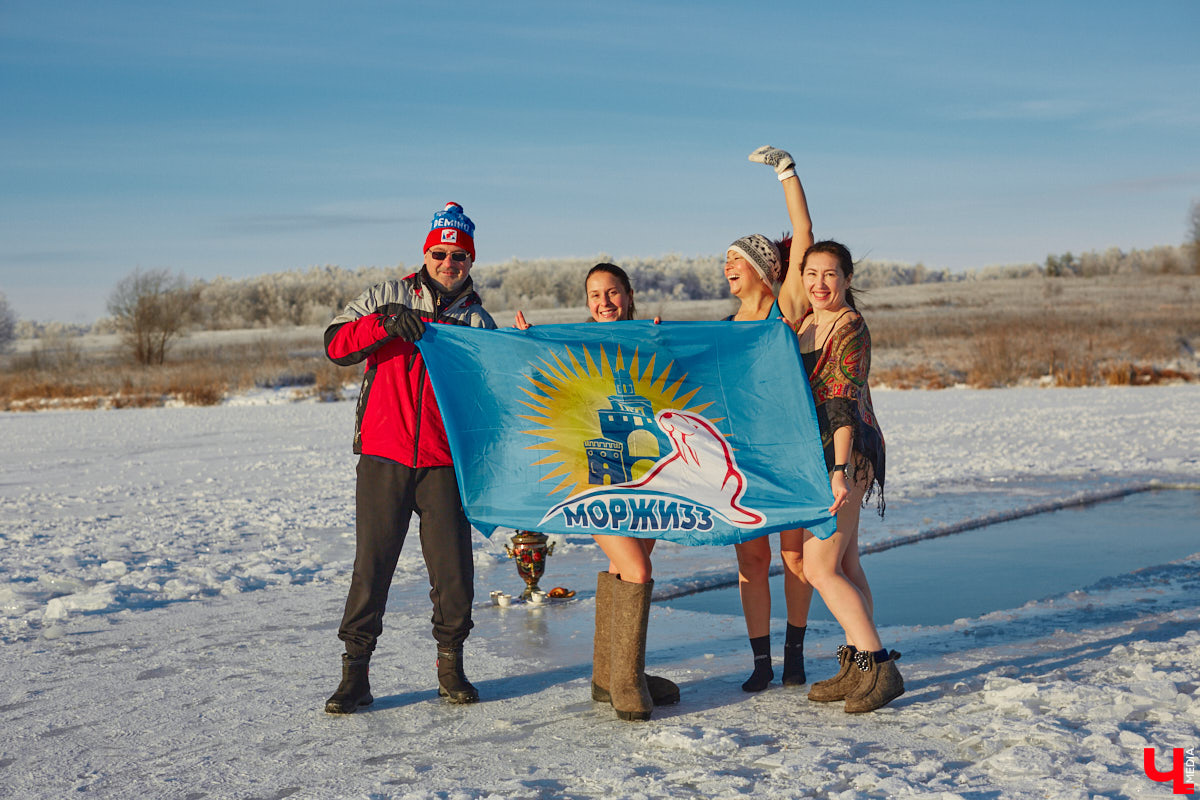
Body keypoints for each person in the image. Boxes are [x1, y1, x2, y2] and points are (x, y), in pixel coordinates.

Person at [323, 202, 497, 713]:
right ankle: (355, 673)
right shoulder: (386, 296)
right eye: (441, 253)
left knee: (453, 571)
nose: (450, 263)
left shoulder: (477, 321)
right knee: (371, 566)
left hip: (445, 464)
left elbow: (489, 399)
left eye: (460, 256)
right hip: (385, 455)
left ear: (470, 260)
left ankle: (451, 667)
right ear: (426, 252)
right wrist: (382, 324)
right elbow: (335, 345)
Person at [749, 145, 903, 713]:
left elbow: (839, 401)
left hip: (846, 451)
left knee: (817, 565)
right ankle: (856, 664)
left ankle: (879, 668)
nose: (817, 282)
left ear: (846, 278)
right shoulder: (806, 320)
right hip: (821, 453)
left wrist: (839, 471)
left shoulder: (848, 325)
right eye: (810, 273)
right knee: (845, 563)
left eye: (828, 274)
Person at [514, 263, 677, 721]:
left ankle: (611, 677)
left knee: (623, 566)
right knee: (637, 569)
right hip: (596, 473)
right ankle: (627, 682)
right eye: (594, 294)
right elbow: (535, 375)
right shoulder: (574, 345)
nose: (603, 302)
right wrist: (525, 341)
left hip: (647, 469)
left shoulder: (649, 339)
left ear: (629, 294)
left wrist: (665, 343)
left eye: (612, 292)